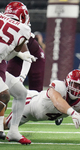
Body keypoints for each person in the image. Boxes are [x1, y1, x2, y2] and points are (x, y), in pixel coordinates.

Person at [4, 69, 80, 130]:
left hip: (45, 112)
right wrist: (72, 112)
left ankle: (60, 115)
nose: (77, 89)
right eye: (75, 85)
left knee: (65, 108)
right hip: (30, 105)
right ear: (67, 82)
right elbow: (57, 101)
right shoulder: (59, 87)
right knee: (5, 126)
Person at [0, 1, 36, 144]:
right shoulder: (24, 29)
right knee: (4, 95)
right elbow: (9, 56)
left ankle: (13, 131)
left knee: (21, 93)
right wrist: (19, 54)